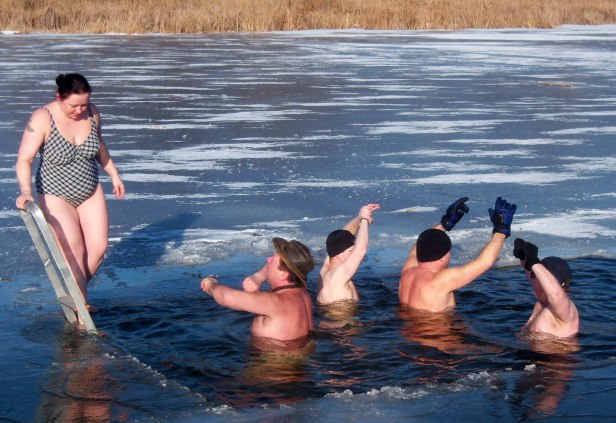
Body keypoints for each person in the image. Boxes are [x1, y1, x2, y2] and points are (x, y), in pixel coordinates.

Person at [15, 73, 125, 306]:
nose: (80, 110)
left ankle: (74, 297)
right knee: (74, 251)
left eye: (84, 104)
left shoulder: (92, 113)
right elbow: (25, 159)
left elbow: (99, 146)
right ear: (59, 97)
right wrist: (26, 191)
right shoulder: (43, 118)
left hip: (89, 190)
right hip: (56, 193)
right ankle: (82, 315)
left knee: (98, 249)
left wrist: (114, 174)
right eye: (74, 105)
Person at [399, 196, 516, 312]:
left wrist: (445, 223)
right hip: (437, 330)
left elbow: (420, 243)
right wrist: (501, 229)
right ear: (442, 258)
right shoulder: (440, 280)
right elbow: (485, 262)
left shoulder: (408, 271)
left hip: (407, 328)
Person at [200, 237, 315, 345]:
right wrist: (259, 277)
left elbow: (227, 297)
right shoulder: (302, 293)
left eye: (273, 259)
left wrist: (211, 284)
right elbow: (283, 267)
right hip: (297, 358)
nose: (268, 260)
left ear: (283, 274)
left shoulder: (277, 302)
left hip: (273, 363)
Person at [513, 238, 579, 338]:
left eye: (540, 279)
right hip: (531, 351)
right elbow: (538, 284)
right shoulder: (542, 301)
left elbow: (555, 293)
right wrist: (524, 260)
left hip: (556, 354)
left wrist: (534, 261)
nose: (536, 283)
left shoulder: (566, 309)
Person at [316, 203, 380, 305]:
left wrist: (360, 218)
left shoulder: (325, 269)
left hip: (333, 316)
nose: (353, 255)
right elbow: (361, 249)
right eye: (351, 251)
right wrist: (365, 220)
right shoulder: (338, 275)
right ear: (338, 255)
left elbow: (344, 235)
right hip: (343, 320)